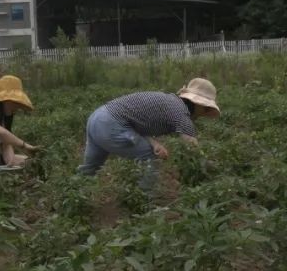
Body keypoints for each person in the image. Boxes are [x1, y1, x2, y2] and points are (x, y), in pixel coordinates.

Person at [77, 78, 220, 192]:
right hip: (112, 125)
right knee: (150, 157)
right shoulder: (181, 114)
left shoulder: (171, 102)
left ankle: (75, 190)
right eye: (206, 109)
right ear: (198, 104)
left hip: (97, 118)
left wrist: (154, 143)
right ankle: (144, 201)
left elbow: (135, 123)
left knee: (90, 168)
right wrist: (211, 167)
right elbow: (192, 148)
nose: (205, 113)